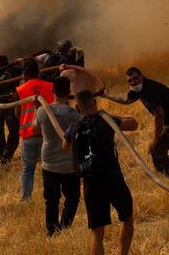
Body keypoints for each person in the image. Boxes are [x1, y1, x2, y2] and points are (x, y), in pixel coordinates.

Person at [63, 90, 138, 255]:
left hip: (91, 182)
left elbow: (65, 146)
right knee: (127, 218)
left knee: (97, 232)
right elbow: (133, 124)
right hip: (113, 178)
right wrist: (107, 115)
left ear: (77, 108)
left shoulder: (74, 128)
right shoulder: (106, 121)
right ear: (95, 103)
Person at [33, 76, 80, 235]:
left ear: (52, 91)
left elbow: (35, 130)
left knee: (51, 201)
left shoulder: (42, 111)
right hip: (69, 165)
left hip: (49, 162)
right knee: (72, 199)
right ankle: (64, 226)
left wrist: (37, 110)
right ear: (69, 92)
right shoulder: (74, 114)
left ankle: (52, 231)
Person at [103, 67, 169, 176]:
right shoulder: (138, 90)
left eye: (135, 79)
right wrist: (106, 95)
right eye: (130, 80)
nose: (133, 82)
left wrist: (155, 139)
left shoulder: (149, 90)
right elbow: (125, 100)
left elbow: (160, 116)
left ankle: (166, 174)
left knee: (156, 148)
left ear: (142, 76)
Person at [16, 59, 54, 200]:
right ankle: (50, 195)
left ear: (24, 74)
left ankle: (26, 198)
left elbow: (17, 114)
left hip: (29, 135)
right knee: (49, 167)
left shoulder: (20, 90)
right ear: (38, 72)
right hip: (48, 133)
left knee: (28, 169)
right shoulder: (50, 86)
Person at [0, 55, 23, 164]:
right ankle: (4, 157)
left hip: (6, 105)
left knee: (10, 132)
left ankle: (5, 156)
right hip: (2, 105)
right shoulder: (15, 70)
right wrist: (21, 64)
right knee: (2, 133)